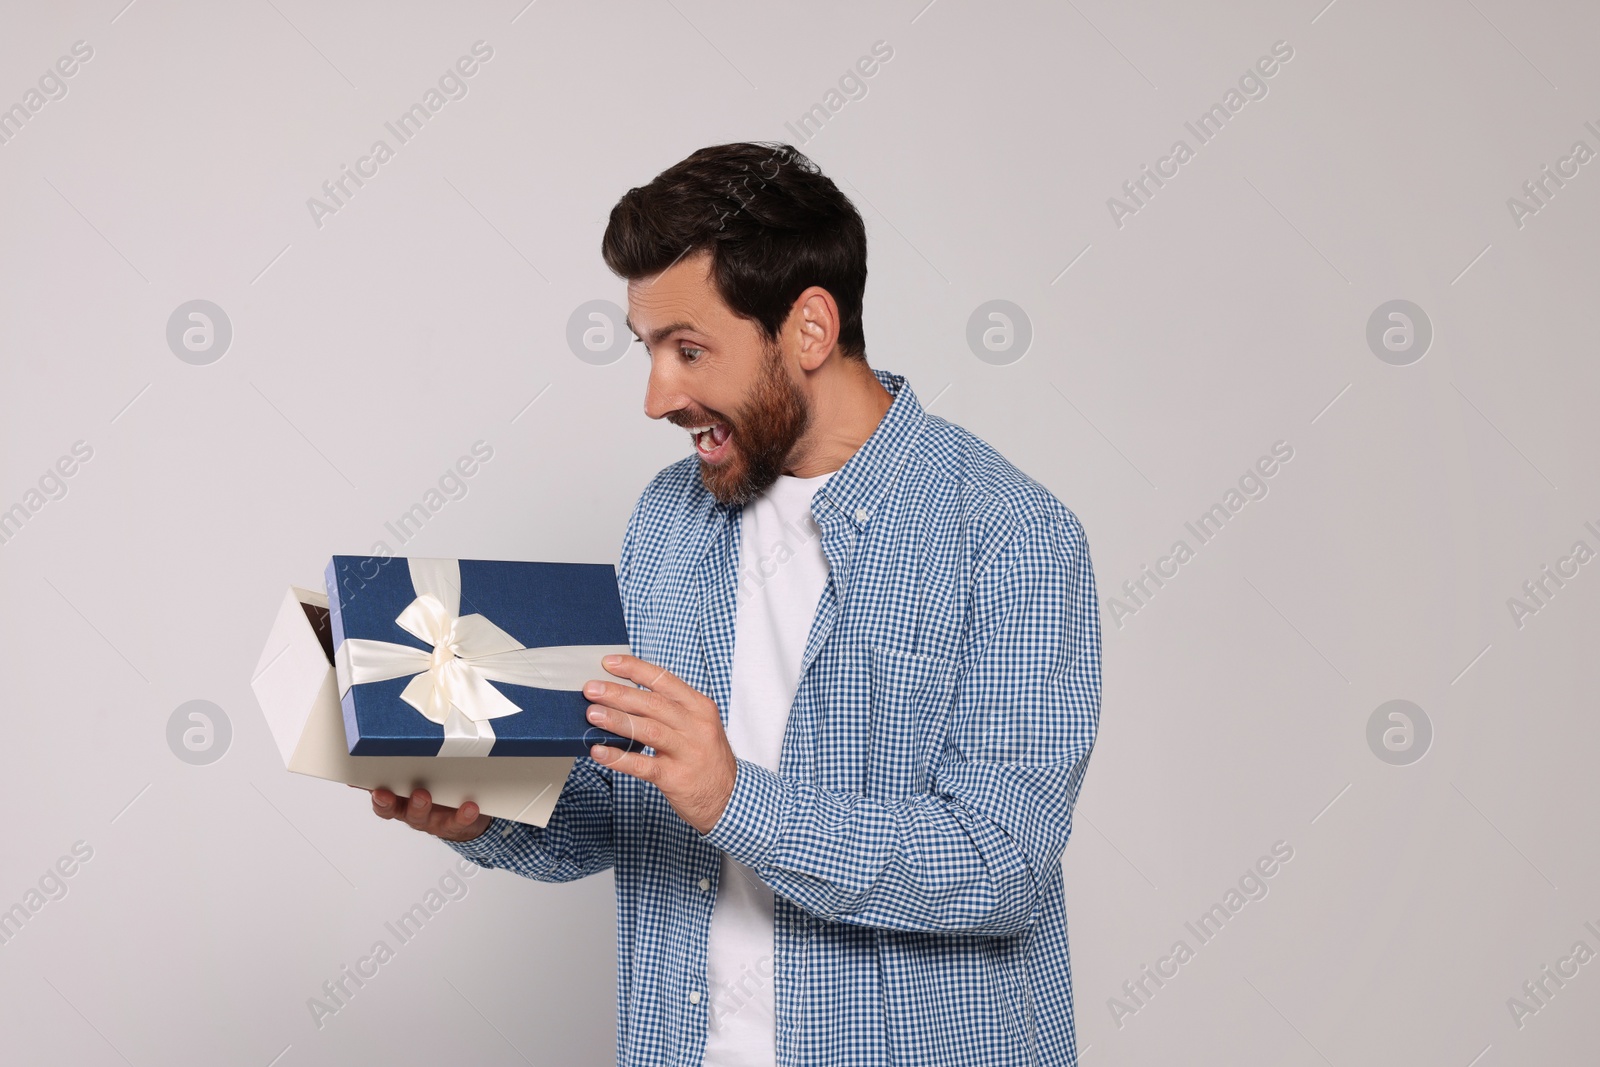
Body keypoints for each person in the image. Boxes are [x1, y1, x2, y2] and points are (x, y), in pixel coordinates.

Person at [359, 142, 1102, 1066]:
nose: (656, 395)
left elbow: (1001, 866)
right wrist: (489, 813)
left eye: (690, 349)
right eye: (650, 351)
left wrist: (737, 797)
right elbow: (628, 805)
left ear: (809, 329)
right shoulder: (669, 520)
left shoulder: (1011, 536)